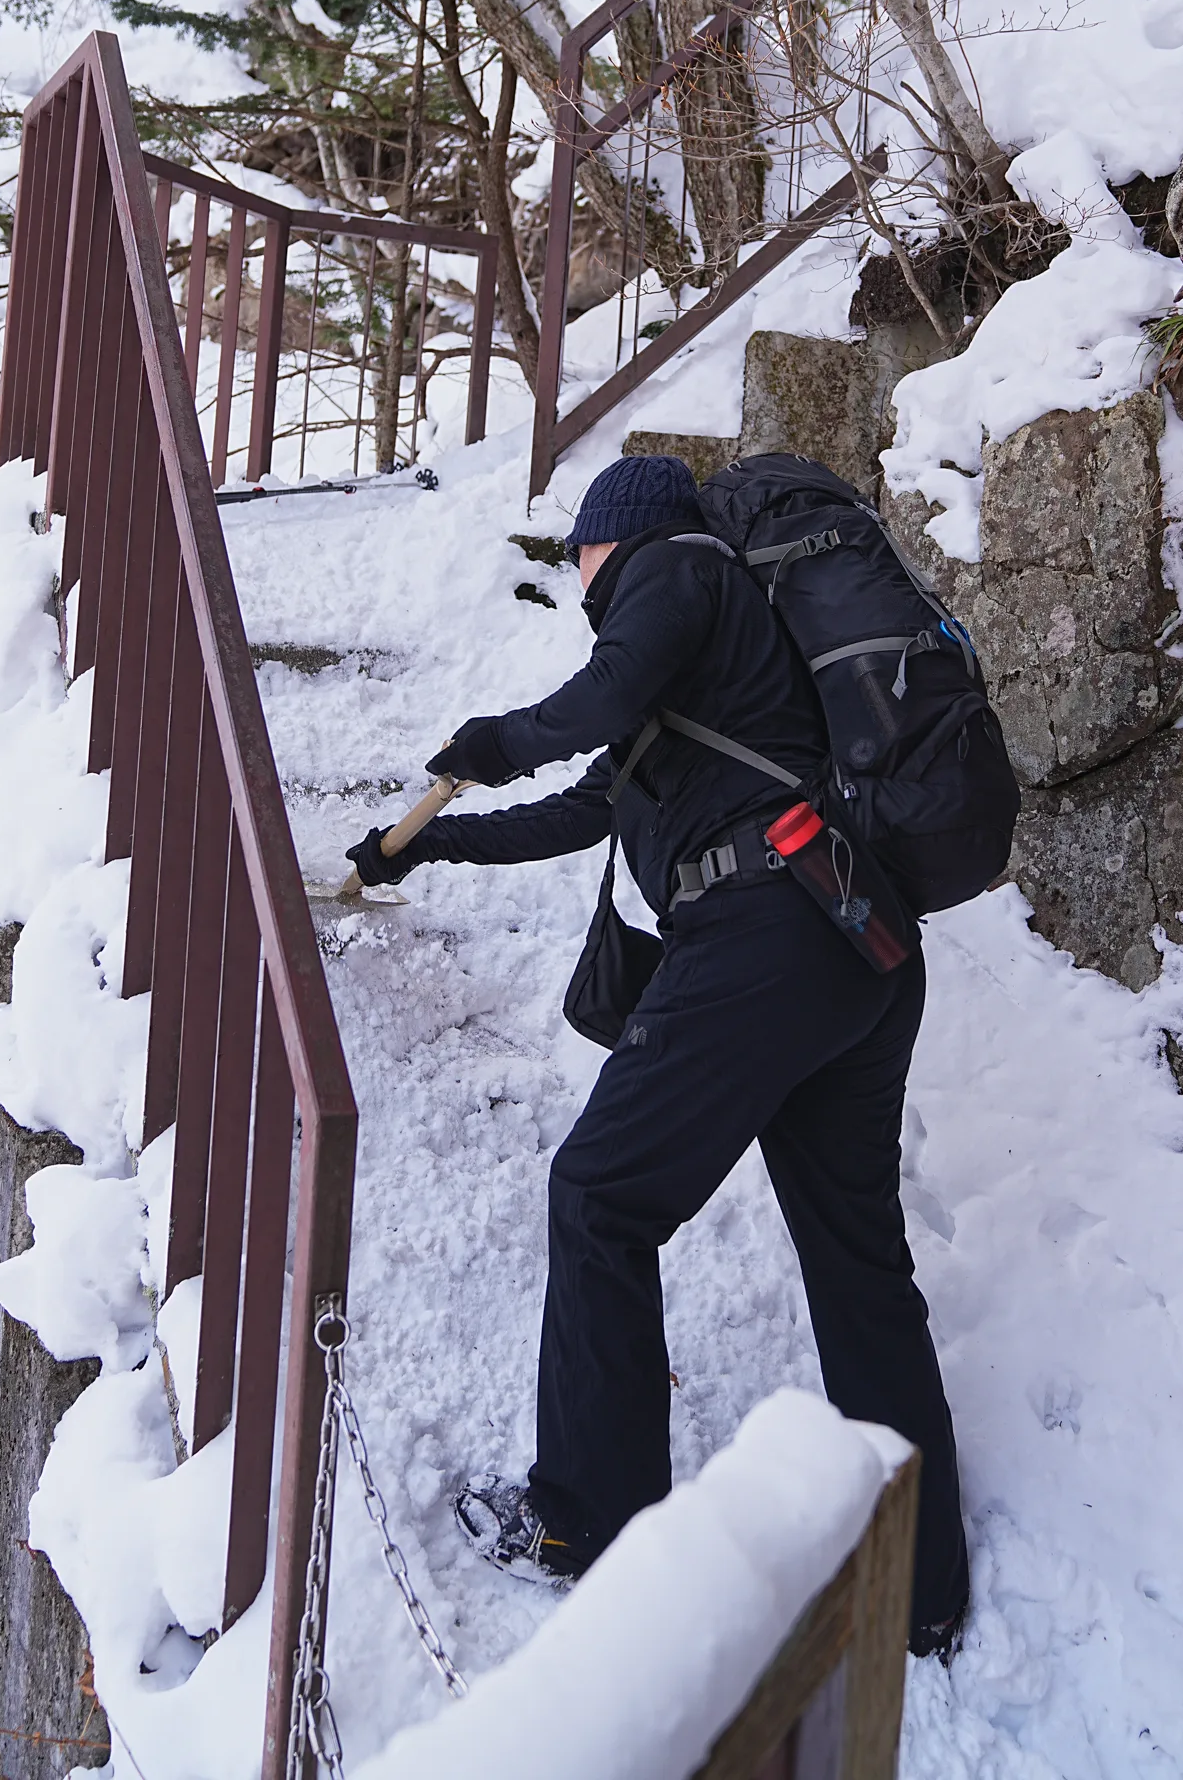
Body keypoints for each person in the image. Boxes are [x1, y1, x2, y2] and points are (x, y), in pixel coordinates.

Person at [348, 452, 970, 1655]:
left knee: (597, 1197)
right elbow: (582, 804)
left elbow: (590, 698)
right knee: (857, 1268)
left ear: (609, 540)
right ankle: (921, 1587)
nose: (582, 576)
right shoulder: (699, 691)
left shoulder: (677, 568)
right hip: (852, 947)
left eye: (584, 554)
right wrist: (423, 848)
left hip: (768, 939)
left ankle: (587, 1519)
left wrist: (497, 736)